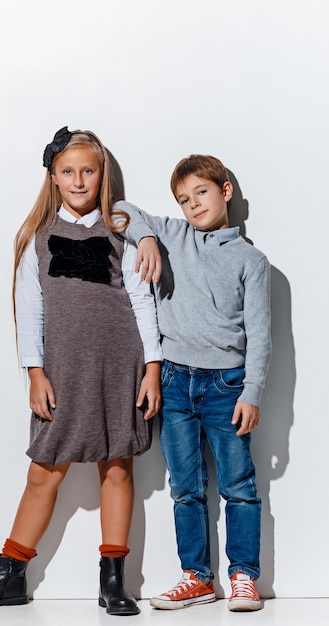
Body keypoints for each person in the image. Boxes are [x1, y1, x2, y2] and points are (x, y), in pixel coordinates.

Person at [0, 126, 162, 616]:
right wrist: (35, 374)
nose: (80, 180)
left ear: (101, 174)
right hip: (63, 372)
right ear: (54, 176)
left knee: (118, 468)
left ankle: (114, 580)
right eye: (68, 171)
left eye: (88, 170)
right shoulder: (37, 238)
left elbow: (143, 303)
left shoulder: (123, 229)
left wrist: (151, 369)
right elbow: (29, 309)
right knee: (43, 472)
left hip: (119, 368)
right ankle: (10, 573)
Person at [119, 154, 271, 612]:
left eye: (200, 193)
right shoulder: (173, 234)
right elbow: (119, 209)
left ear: (225, 191)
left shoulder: (251, 260)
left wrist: (253, 392)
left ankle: (244, 576)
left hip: (227, 386)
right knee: (184, 486)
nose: (192, 205)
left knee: (238, 485)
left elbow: (260, 333)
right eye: (183, 200)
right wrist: (146, 235)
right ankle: (197, 577)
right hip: (175, 382)